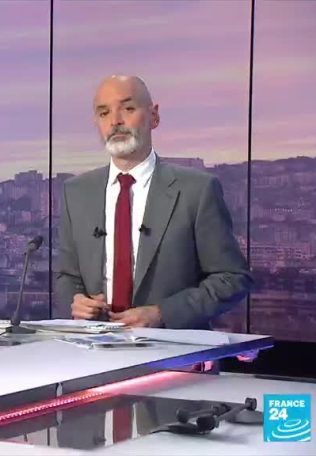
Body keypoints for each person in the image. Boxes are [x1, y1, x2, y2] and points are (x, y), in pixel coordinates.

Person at [54, 75, 251, 330]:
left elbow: (232, 278)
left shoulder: (197, 190)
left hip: (173, 348)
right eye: (104, 113)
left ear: (154, 116)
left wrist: (162, 313)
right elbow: (66, 276)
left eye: (128, 108)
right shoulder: (76, 192)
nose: (115, 121)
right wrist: (75, 301)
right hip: (95, 346)